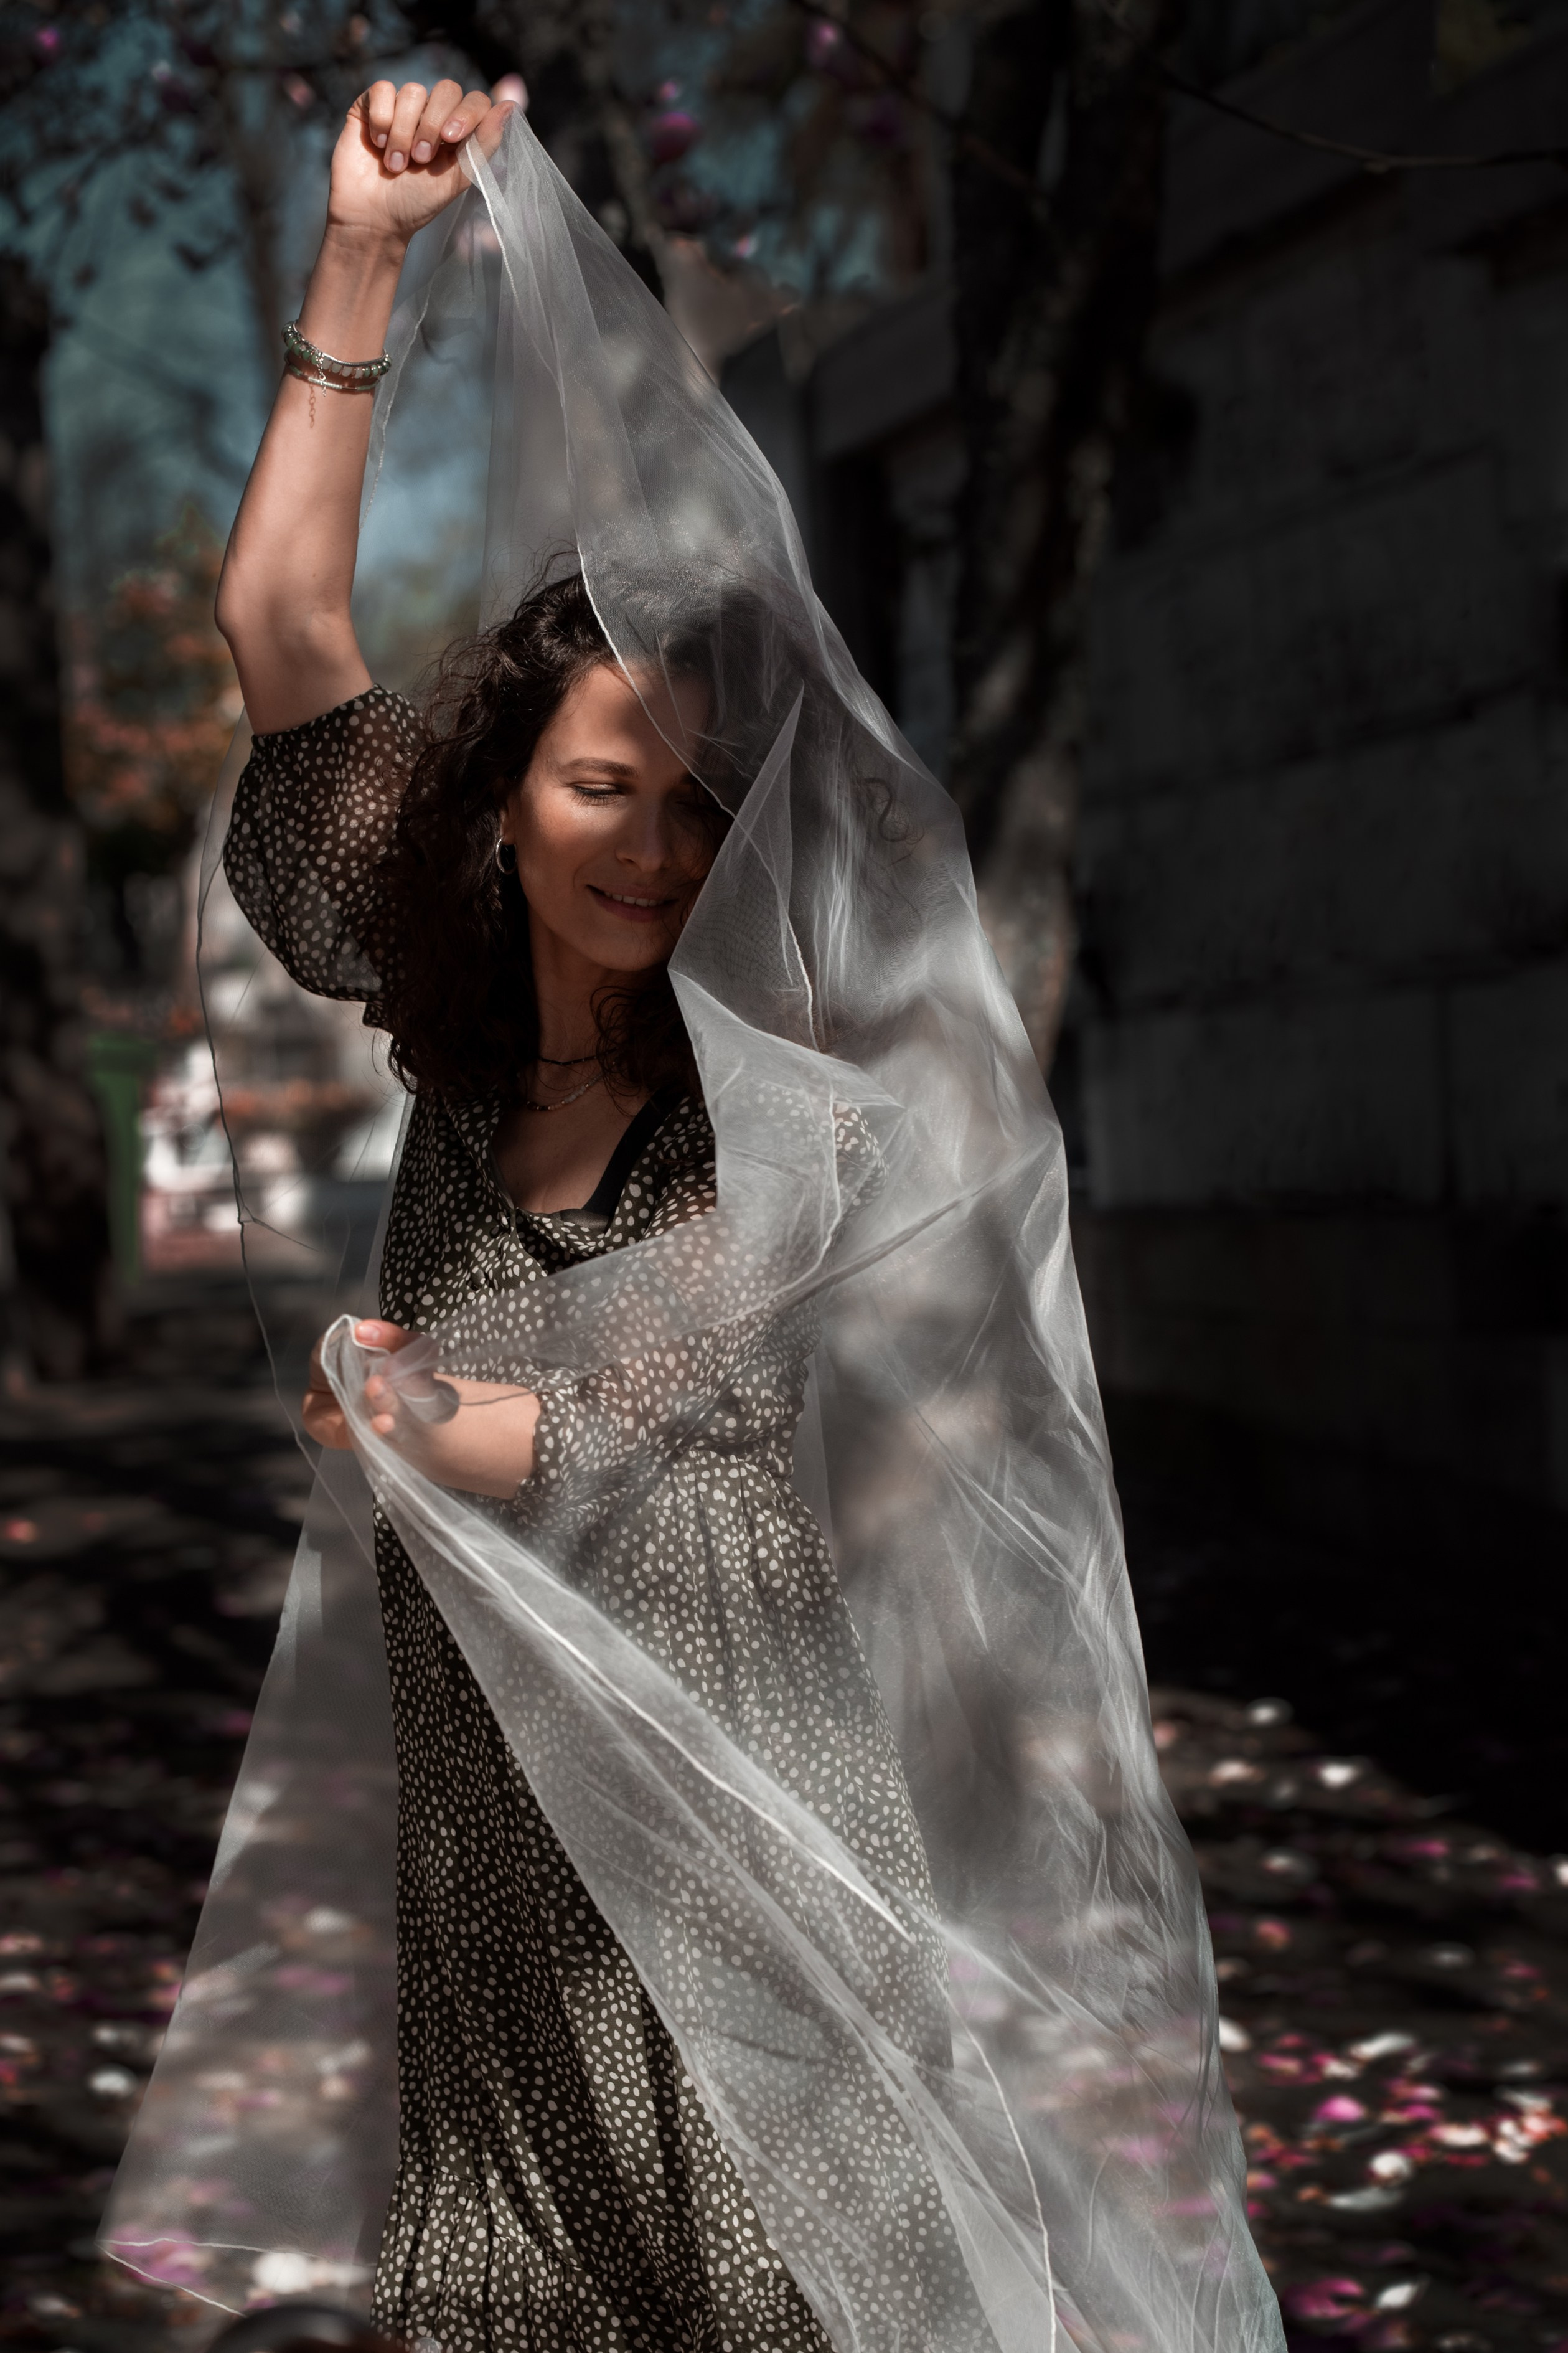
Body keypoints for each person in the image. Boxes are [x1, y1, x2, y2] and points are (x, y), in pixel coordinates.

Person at [107, 74, 1283, 2353]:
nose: (653, 848)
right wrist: (363, 261)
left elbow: (649, 1408)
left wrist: (445, 1428)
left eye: (698, 804)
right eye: (601, 787)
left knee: (781, 2286)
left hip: (741, 1811)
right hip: (493, 1827)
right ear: (506, 797)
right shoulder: (444, 1029)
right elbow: (276, 623)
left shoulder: (814, 1126)